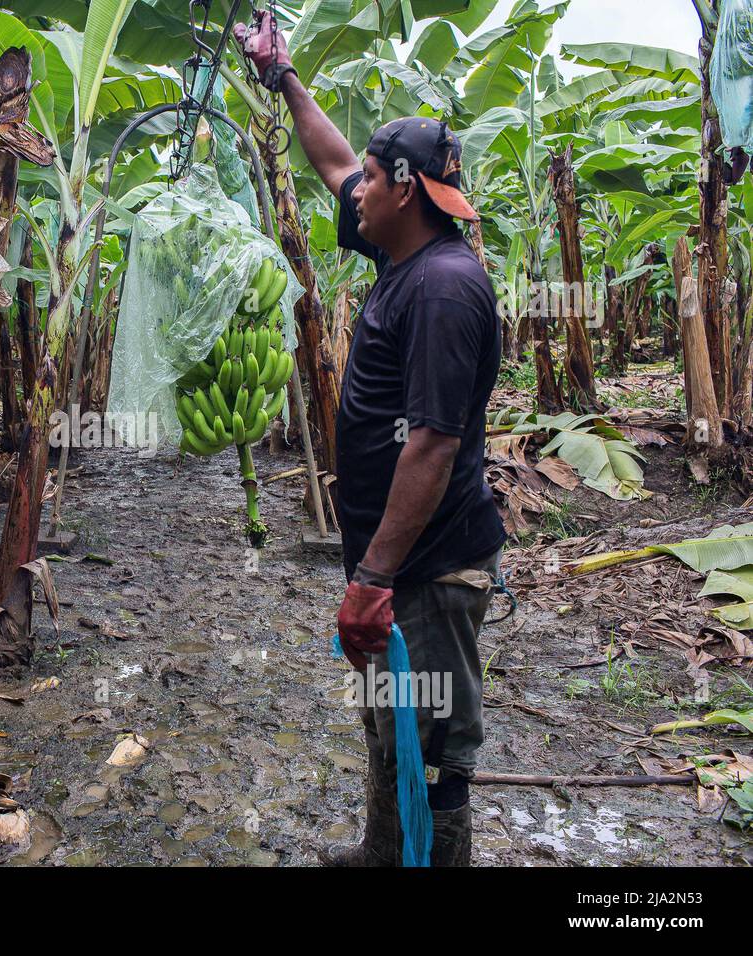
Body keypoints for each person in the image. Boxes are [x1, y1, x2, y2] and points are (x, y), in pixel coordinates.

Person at [235, 12, 507, 866]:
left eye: (372, 181)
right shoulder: (406, 247)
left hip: (427, 568)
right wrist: (282, 76)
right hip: (399, 563)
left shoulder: (443, 291)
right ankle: (383, 851)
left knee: (431, 750)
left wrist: (374, 577)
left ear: (403, 188)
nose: (355, 192)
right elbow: (332, 161)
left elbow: (429, 444)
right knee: (393, 722)